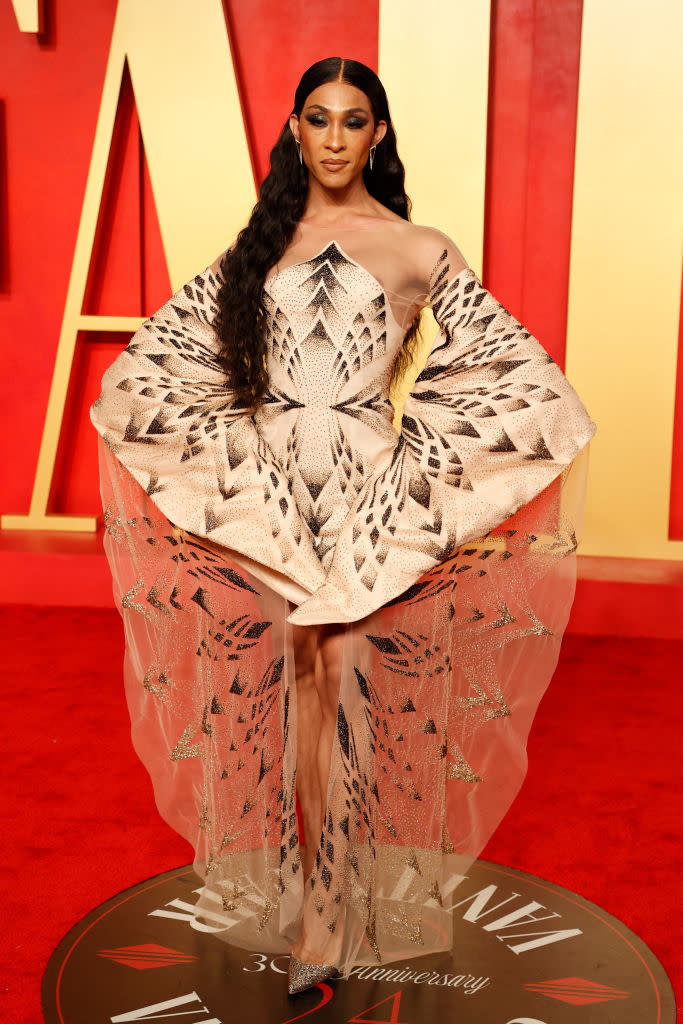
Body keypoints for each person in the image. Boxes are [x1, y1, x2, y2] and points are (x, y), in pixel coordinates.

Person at [90, 56, 596, 995]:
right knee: (302, 689)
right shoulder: (259, 245)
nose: (332, 138)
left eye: (351, 121)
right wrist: (227, 473)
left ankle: (326, 915)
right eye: (316, 120)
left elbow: (510, 370)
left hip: (369, 489)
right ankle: (311, 899)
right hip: (276, 493)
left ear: (378, 135)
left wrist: (427, 477)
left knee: (349, 681)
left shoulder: (418, 247)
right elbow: (161, 364)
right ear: (294, 131)